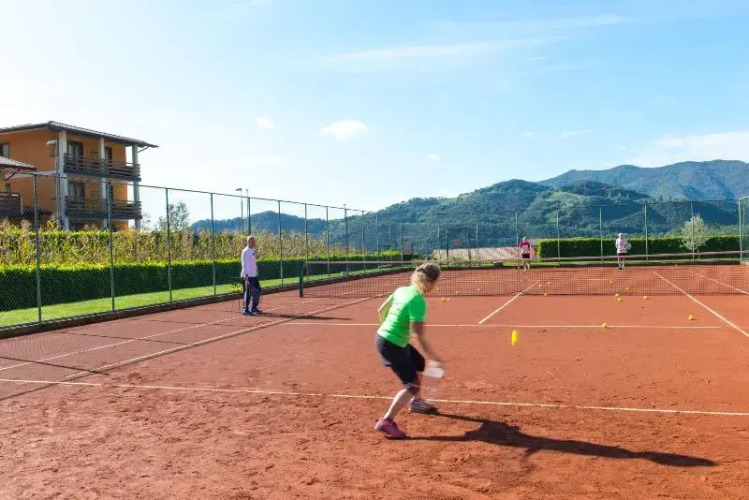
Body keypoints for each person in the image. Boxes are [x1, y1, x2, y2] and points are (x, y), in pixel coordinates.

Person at [374, 262, 444, 439]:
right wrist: (434, 358)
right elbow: (418, 334)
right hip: (391, 344)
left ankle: (417, 402)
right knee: (412, 385)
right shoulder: (417, 301)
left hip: (386, 338)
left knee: (418, 362)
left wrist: (388, 329)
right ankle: (386, 421)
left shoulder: (401, 290)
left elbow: (381, 311)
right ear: (430, 282)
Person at [240, 235, 262, 315]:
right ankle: (245, 310)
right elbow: (244, 263)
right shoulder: (245, 251)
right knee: (248, 293)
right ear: (248, 242)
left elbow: (253, 262)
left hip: (254, 275)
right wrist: (246, 274)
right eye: (252, 241)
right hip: (247, 276)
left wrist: (256, 268)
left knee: (258, 291)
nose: (254, 243)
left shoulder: (253, 250)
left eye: (254, 241)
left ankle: (254, 308)